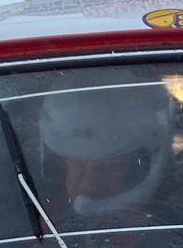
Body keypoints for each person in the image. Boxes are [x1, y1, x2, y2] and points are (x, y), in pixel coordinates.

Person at [34, 81, 174, 225]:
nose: (89, 184)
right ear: (64, 165)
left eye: (107, 165)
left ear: (134, 166)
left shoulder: (168, 224)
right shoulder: (38, 221)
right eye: (78, 163)